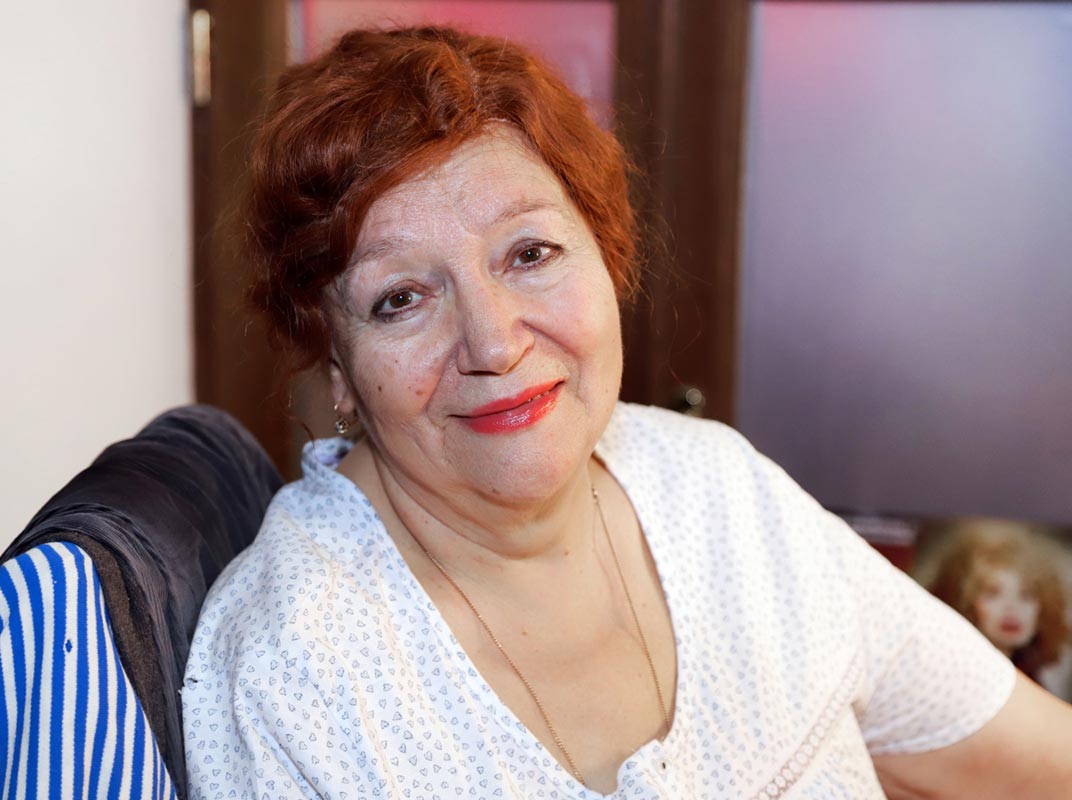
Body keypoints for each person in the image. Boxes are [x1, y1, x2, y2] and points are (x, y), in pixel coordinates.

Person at [181, 25, 1072, 799]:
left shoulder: (723, 494)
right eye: (401, 298)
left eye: (530, 253)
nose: (493, 342)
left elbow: (1036, 760)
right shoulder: (290, 673)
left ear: (606, 257)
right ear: (337, 367)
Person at [928, 520, 1070, 684]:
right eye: (992, 593)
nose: (1011, 607)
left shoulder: (1033, 681)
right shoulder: (951, 677)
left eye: (1026, 595)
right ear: (965, 603)